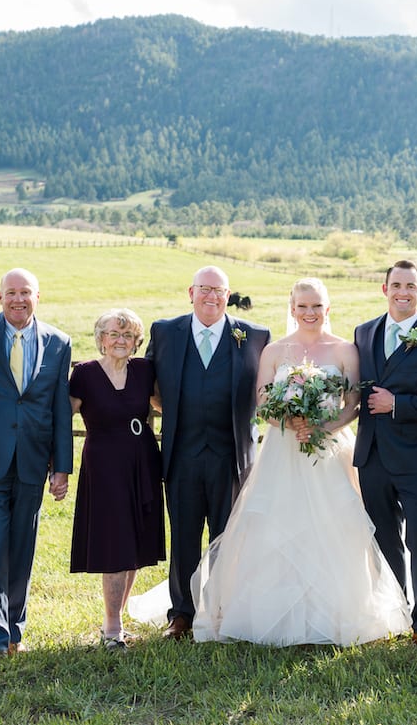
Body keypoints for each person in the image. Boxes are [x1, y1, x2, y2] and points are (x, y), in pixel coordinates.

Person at [191, 278, 410, 644]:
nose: (310, 313)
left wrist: (324, 427)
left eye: (317, 306)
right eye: (303, 306)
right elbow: (262, 402)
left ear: (328, 309)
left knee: (336, 525)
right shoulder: (275, 351)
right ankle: (272, 611)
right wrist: (289, 423)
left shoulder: (345, 350)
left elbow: (353, 403)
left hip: (329, 451)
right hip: (283, 449)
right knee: (276, 525)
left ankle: (336, 611)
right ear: (291, 309)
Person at [145, 265, 270, 639]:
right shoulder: (165, 331)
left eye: (219, 290)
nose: (211, 296)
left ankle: (222, 609)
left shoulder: (254, 335)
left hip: (231, 455)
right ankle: (182, 614)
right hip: (182, 453)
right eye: (204, 289)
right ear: (191, 292)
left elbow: (267, 389)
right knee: (183, 535)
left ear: (228, 295)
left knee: (227, 535)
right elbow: (148, 382)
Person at [353, 260, 417, 644]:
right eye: (396, 285)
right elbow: (357, 386)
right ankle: (393, 612)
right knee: (383, 539)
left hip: (416, 458)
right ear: (384, 289)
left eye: (410, 286)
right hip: (372, 455)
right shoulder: (363, 333)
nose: (403, 292)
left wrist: (397, 404)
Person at [0, 268, 73, 656]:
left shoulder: (59, 342)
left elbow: (60, 408)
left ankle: (16, 632)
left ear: (37, 296)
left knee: (22, 550)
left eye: (25, 292)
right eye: (11, 293)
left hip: (32, 462)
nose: (18, 299)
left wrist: (61, 465)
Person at [69, 308, 165, 650]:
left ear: (137, 341)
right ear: (101, 339)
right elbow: (61, 417)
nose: (120, 340)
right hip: (104, 464)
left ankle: (118, 618)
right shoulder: (85, 374)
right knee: (115, 542)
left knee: (136, 540)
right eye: (113, 334)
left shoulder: (144, 370)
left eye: (127, 335)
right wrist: (56, 463)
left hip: (142, 460)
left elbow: (163, 405)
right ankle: (111, 629)